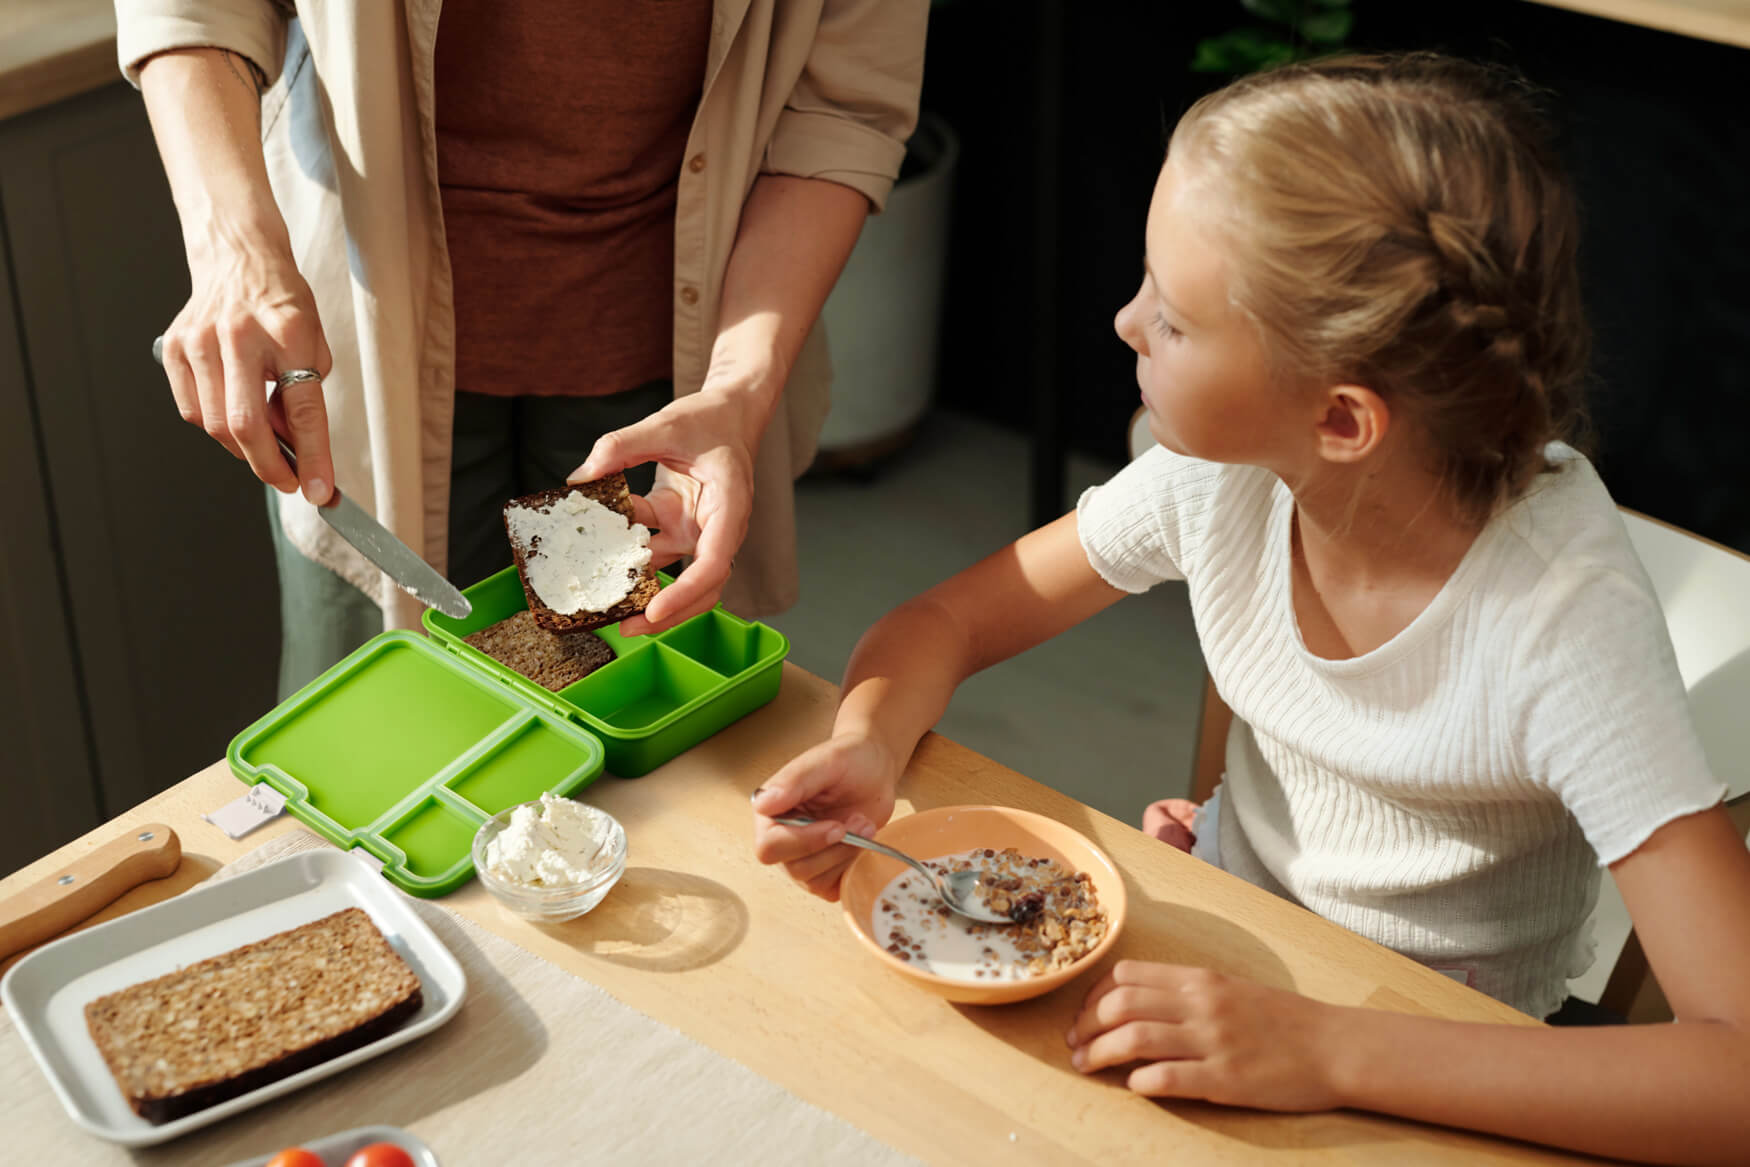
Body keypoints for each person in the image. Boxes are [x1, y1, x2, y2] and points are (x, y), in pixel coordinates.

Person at [750, 52, 1750, 1164]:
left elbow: (1735, 1076)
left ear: (1339, 421)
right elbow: (946, 624)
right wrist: (868, 744)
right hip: (1232, 952)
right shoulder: (1220, 476)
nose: (1125, 324)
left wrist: (1321, 1049)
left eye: (1172, 318)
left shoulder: (1560, 627)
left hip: (1429, 1051)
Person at [116, 1, 927, 695]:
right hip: (356, 355)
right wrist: (235, 251)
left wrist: (739, 389)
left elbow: (840, 110)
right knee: (391, 727)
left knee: (631, 744)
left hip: (665, 379)